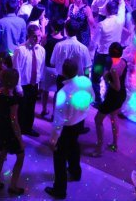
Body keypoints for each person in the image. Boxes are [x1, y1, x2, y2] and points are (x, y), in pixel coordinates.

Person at [44, 59, 93, 200]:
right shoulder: (85, 81)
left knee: (59, 158)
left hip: (67, 127)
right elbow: (91, 98)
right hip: (79, 123)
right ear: (77, 70)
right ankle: (75, 172)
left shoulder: (63, 93)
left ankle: (59, 190)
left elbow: (58, 121)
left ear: (63, 72)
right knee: (74, 147)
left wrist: (53, 140)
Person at [0, 68, 26, 195]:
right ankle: (13, 186)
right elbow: (14, 121)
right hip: (9, 131)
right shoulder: (13, 100)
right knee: (21, 155)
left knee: (2, 154)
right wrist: (20, 139)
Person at [92, 42, 127, 157]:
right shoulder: (123, 62)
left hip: (113, 97)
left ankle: (99, 148)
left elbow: (117, 87)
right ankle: (114, 145)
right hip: (121, 95)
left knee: (98, 120)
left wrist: (106, 78)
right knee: (114, 117)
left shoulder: (114, 70)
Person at [12, 24, 45, 137]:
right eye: (34, 36)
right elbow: (16, 69)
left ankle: (28, 128)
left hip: (34, 84)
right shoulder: (20, 50)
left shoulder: (41, 50)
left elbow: (41, 68)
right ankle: (19, 130)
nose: (37, 39)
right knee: (21, 109)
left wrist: (40, 84)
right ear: (29, 36)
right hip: (23, 85)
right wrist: (18, 87)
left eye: (39, 36)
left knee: (31, 108)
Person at [94, 0, 126, 105]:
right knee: (110, 78)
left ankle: (98, 100)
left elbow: (95, 41)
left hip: (102, 55)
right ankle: (107, 99)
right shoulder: (120, 20)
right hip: (114, 56)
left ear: (106, 11)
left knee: (96, 77)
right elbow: (122, 7)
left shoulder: (102, 24)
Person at [50, 20, 92, 90]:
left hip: (62, 79)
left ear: (66, 30)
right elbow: (87, 68)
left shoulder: (59, 46)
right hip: (78, 80)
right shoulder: (83, 48)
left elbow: (52, 63)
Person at [40, 19, 64, 120]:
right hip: (59, 70)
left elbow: (41, 49)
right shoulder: (64, 40)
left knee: (45, 91)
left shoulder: (47, 38)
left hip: (47, 68)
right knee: (57, 93)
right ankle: (54, 114)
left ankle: (44, 110)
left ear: (52, 27)